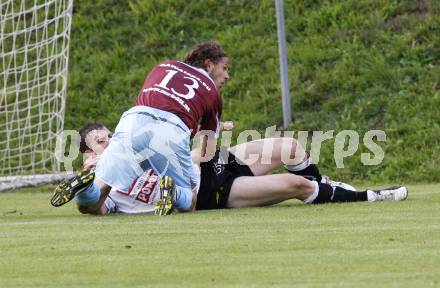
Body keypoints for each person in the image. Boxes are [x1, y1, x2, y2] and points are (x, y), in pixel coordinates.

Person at [51, 41, 230, 215]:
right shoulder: (212, 93)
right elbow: (207, 152)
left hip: (133, 121)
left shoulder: (164, 66)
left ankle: (84, 189)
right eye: (224, 67)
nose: (226, 75)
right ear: (209, 65)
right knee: (190, 200)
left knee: (92, 202)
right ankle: (174, 192)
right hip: (171, 130)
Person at [68, 123, 407, 215]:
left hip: (206, 166)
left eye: (111, 136)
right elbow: (94, 208)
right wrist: (89, 185)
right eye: (101, 141)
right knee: (294, 186)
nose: (110, 143)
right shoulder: (102, 179)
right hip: (208, 193)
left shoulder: (134, 147)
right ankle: (367, 197)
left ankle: (327, 188)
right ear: (87, 152)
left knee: (289, 147)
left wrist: (208, 136)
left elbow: (187, 155)